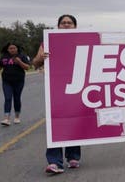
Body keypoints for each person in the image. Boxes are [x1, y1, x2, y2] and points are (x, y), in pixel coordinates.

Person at [32, 14, 82, 174]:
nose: (66, 25)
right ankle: (54, 162)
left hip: (78, 86)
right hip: (56, 88)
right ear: (58, 26)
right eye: (63, 23)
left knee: (74, 120)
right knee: (56, 123)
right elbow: (35, 62)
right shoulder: (48, 40)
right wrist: (41, 57)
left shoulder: (82, 39)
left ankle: (73, 156)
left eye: (69, 23)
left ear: (75, 26)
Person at [0, 42, 30, 126]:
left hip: (19, 81)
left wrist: (19, 62)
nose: (12, 50)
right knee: (8, 98)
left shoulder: (22, 56)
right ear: (7, 49)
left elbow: (27, 67)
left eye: (14, 48)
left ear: (17, 49)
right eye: (10, 48)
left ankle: (17, 116)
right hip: (6, 81)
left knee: (17, 98)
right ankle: (6, 119)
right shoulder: (4, 57)